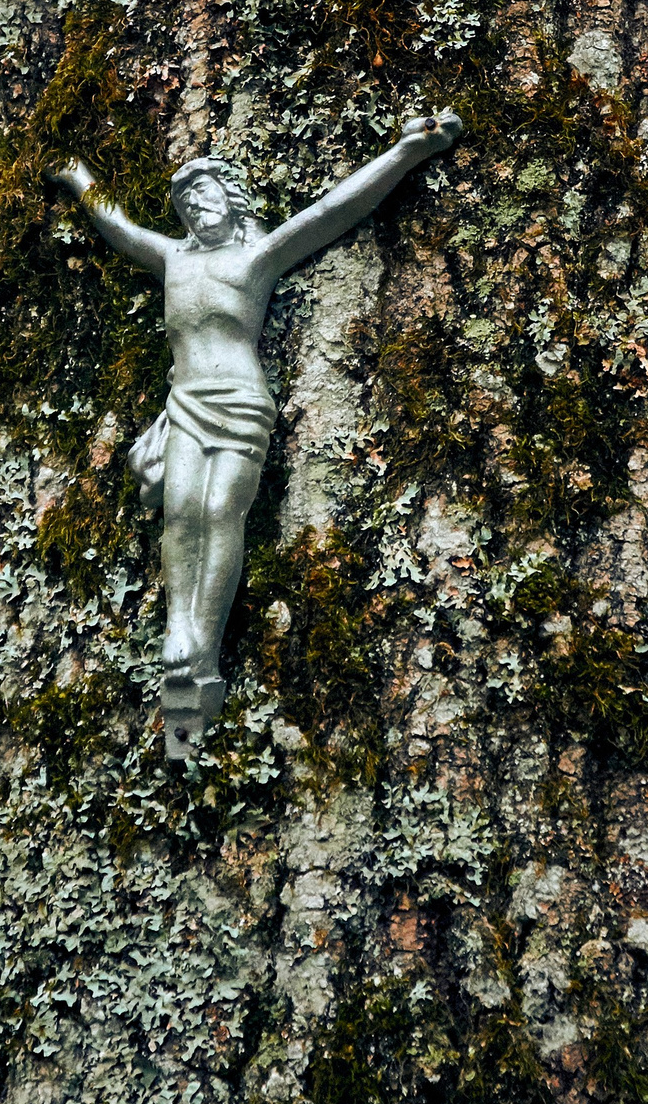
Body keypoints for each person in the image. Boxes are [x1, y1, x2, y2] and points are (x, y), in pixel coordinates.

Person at [47, 111, 464, 755]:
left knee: (220, 510)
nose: (196, 207)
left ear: (231, 200)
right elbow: (119, 227)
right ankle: (179, 637)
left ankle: (202, 646)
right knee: (181, 510)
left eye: (207, 194)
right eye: (186, 201)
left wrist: (407, 152)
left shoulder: (257, 256)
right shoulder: (172, 260)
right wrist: (79, 181)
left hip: (240, 402)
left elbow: (334, 209)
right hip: (186, 400)